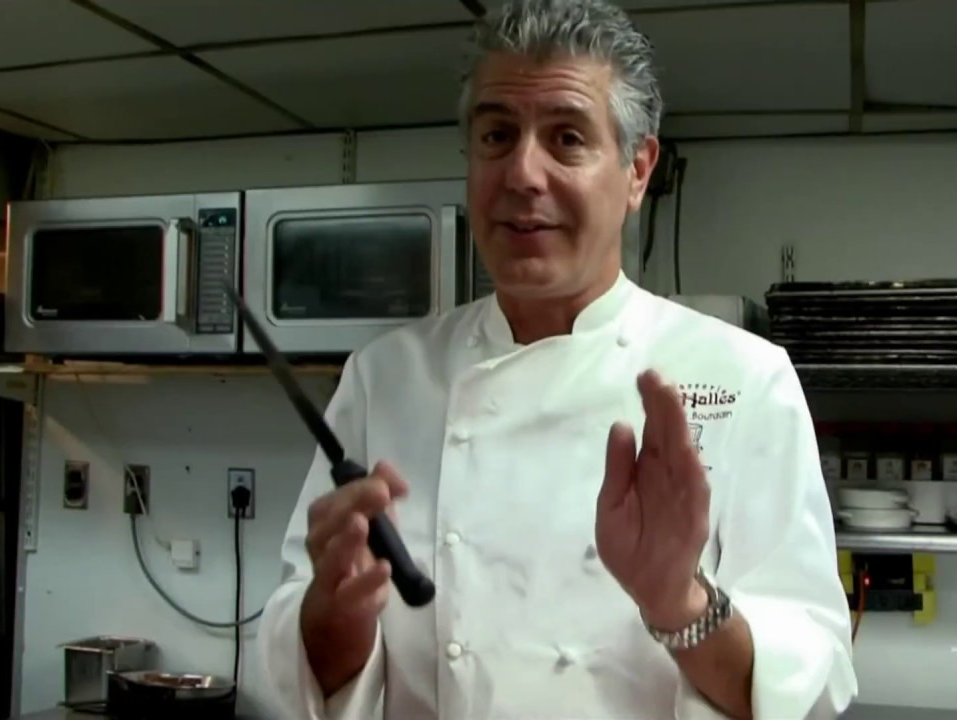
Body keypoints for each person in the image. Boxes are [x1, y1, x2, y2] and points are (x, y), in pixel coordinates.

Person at [259, 0, 857, 717]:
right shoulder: (384, 376)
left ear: (637, 171)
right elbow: (301, 664)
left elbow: (809, 685)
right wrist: (336, 615)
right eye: (496, 136)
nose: (522, 174)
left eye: (567, 138)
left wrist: (679, 602)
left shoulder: (746, 378)